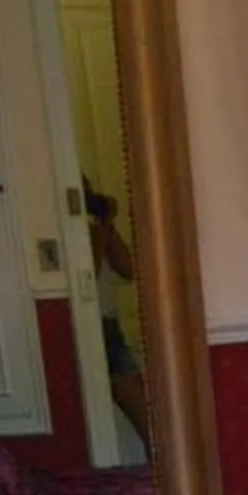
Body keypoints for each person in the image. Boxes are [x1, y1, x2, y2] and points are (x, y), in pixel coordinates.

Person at [84, 185, 149, 452]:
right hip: (91, 325)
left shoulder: (98, 228)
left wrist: (108, 226)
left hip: (108, 326)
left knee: (149, 418)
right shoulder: (66, 229)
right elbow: (86, 276)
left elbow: (128, 269)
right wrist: (100, 236)